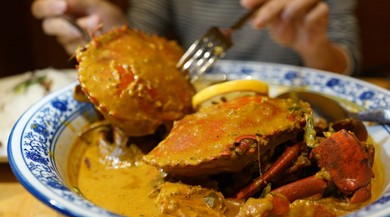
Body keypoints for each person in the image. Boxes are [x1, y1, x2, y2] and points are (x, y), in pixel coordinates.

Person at [31, 0, 361, 75]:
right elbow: (144, 32)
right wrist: (116, 34)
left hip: (302, 94)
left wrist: (313, 45)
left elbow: (347, 61)